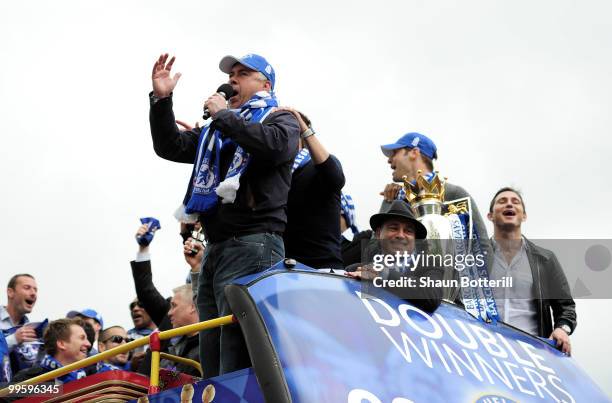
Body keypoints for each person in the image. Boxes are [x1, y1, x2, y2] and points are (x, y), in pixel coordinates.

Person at [149, 52, 299, 377]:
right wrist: (162, 100)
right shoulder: (217, 131)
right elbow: (170, 146)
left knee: (238, 353)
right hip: (216, 250)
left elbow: (274, 147)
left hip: (254, 246)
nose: (233, 79)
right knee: (213, 357)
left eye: (244, 73)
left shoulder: (280, 118)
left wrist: (224, 118)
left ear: (266, 84)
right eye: (232, 74)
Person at [487, 187, 576, 354]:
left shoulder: (544, 259)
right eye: (502, 201)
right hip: (485, 351)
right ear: (490, 216)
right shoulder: (474, 256)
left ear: (524, 215)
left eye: (515, 202)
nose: (509, 204)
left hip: (531, 356)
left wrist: (562, 329)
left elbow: (566, 307)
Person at [379, 132, 489, 241]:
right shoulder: (393, 198)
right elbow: (374, 250)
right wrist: (388, 202)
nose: (389, 160)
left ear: (414, 152)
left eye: (394, 153)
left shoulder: (454, 193)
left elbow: (482, 245)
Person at [277, 107, 345, 270]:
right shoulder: (274, 175)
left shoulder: (315, 166)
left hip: (322, 269)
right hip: (283, 270)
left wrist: (305, 130)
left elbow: (335, 177)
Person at [346, 200, 444, 313]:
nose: (401, 235)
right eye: (393, 228)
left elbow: (431, 296)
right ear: (378, 234)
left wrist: (384, 274)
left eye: (408, 231)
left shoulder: (431, 264)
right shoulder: (357, 269)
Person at [11, 318, 90, 383]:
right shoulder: (28, 379)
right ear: (62, 344)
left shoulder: (87, 380)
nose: (88, 344)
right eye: (82, 338)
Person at [1, 274, 38, 352]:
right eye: (27, 288)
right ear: (10, 292)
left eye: (35, 290)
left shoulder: (31, 329)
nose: (33, 293)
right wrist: (14, 339)